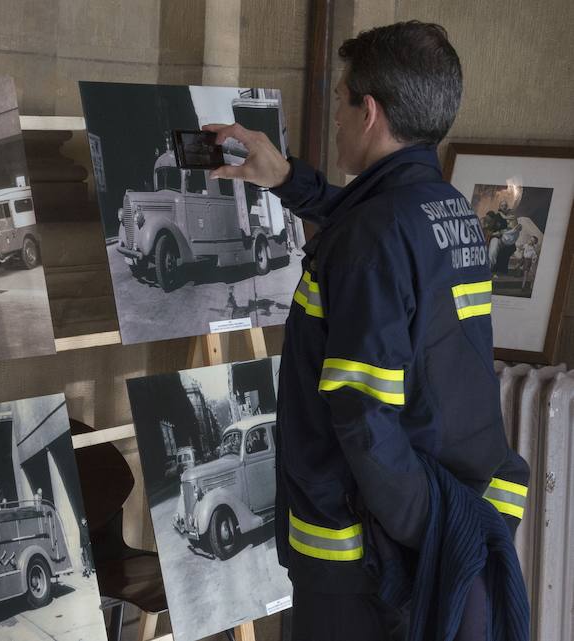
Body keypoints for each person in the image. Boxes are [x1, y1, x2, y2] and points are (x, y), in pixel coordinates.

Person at [206, 21, 529, 641]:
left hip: (360, 564)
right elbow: (376, 228)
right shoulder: (448, 209)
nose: (336, 121)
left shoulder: (370, 236)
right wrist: (288, 180)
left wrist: (419, 542)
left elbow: (362, 415)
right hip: (428, 516)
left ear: (370, 111)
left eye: (342, 102)